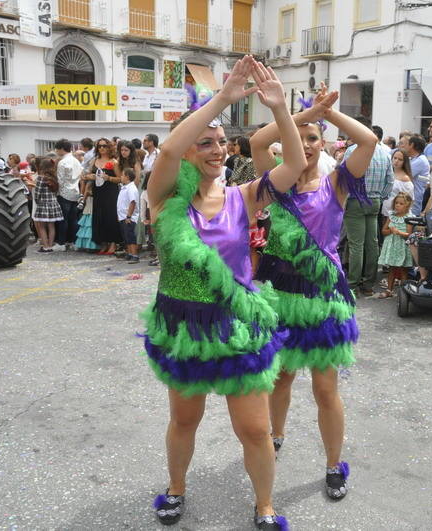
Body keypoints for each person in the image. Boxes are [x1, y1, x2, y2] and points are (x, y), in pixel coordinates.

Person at [143, 56, 305, 530]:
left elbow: (294, 163)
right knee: (185, 420)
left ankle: (265, 504)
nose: (218, 149)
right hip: (183, 324)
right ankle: (176, 487)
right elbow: (168, 152)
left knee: (254, 428)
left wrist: (279, 109)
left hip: (237, 325)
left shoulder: (245, 196)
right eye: (206, 142)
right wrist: (223, 98)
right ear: (190, 150)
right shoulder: (165, 200)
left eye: (222, 142)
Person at [250, 83, 376, 502]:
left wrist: (326, 112)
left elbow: (368, 140)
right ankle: (277, 436)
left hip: (322, 297)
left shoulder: (336, 183)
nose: (304, 144)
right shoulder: (275, 183)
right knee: (280, 379)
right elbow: (257, 140)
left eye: (312, 139)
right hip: (279, 294)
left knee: (325, 389)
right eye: (299, 138)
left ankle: (333, 464)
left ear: (323, 145)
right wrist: (298, 118)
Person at [343, 115, 394, 295]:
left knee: (356, 244)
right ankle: (368, 284)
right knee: (371, 243)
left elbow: (342, 176)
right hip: (374, 201)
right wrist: (380, 196)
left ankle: (353, 284)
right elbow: (390, 181)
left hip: (355, 200)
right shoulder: (384, 152)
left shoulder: (352, 151)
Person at [85, 138, 122, 255]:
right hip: (98, 192)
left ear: (109, 147)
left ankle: (113, 244)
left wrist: (109, 178)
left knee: (110, 217)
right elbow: (88, 174)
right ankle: (103, 243)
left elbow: (120, 178)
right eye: (99, 146)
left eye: (104, 146)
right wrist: (89, 177)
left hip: (110, 192)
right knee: (99, 217)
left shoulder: (114, 162)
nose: (102, 148)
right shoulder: (94, 160)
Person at [377, 192, 414, 298]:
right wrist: (390, 231)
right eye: (396, 203)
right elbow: (383, 231)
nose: (398, 205)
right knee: (392, 269)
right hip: (392, 246)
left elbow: (409, 235)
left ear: (407, 205)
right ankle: (389, 290)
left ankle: (403, 292)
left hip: (402, 246)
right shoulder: (391, 216)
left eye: (401, 203)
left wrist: (399, 232)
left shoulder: (409, 218)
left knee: (403, 270)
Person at [54, 139, 83, 250]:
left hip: (64, 193)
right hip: (75, 192)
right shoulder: (76, 160)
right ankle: (73, 242)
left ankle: (62, 243)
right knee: (73, 219)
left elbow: (60, 180)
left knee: (63, 220)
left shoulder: (62, 162)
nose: (56, 151)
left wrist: (58, 192)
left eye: (57, 149)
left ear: (61, 149)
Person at [32, 157, 63, 253]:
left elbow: (37, 192)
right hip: (54, 203)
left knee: (41, 226)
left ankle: (45, 247)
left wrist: (37, 201)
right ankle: (50, 246)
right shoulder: (54, 177)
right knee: (51, 226)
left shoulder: (41, 178)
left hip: (43, 204)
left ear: (42, 166)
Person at [382, 148, 415, 216]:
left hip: (396, 214)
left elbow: (409, 199)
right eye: (395, 158)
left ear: (404, 162)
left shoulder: (405, 179)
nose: (396, 161)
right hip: (384, 210)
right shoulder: (387, 172)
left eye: (400, 159)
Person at [117, 167, 140, 263]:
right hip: (122, 216)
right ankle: (130, 253)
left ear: (127, 177)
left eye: (122, 175)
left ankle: (135, 255)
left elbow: (133, 202)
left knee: (130, 236)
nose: (121, 177)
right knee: (126, 236)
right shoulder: (124, 187)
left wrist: (129, 216)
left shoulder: (131, 188)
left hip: (128, 217)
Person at [406, 134, 430, 215]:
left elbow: (404, 174)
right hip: (410, 199)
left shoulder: (420, 161)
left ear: (412, 145)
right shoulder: (414, 159)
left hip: (413, 201)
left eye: (407, 144)